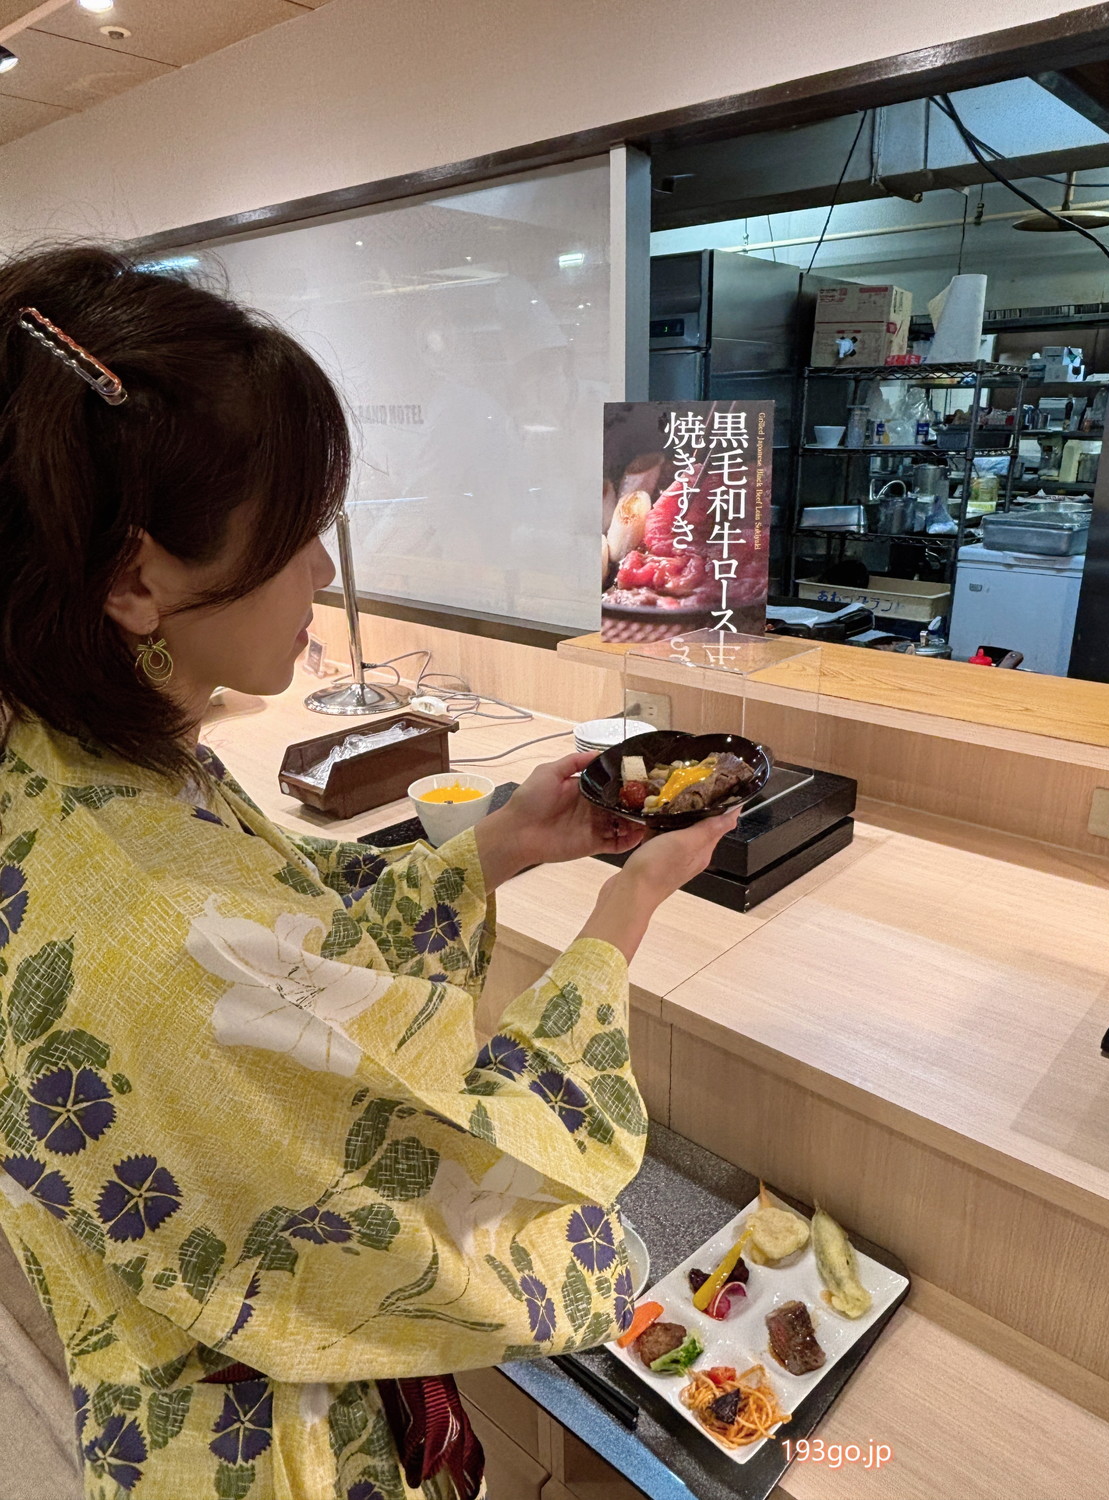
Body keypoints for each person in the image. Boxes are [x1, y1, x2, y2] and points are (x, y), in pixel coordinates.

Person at [0, 247, 737, 1500]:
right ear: (136, 580)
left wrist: (503, 845)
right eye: (296, 537)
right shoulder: (164, 933)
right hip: (264, 1452)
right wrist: (631, 903)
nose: (326, 576)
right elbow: (464, 1226)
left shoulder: (69, 765)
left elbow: (296, 953)